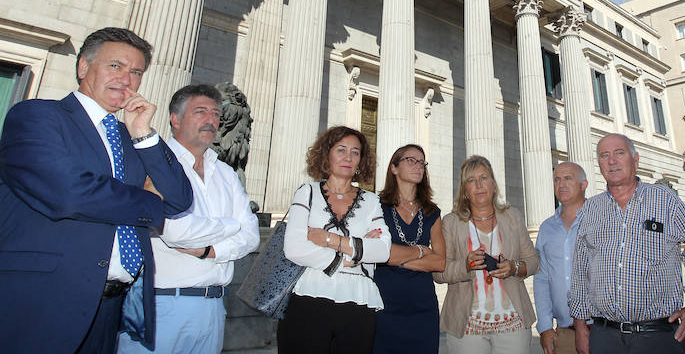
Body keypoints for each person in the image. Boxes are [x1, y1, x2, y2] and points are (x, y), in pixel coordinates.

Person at [0, 27, 194, 353]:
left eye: (136, 72)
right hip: (40, 303)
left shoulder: (130, 137)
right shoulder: (37, 116)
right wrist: (147, 199)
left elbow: (178, 199)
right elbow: (68, 194)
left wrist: (144, 134)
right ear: (83, 68)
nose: (127, 80)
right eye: (115, 66)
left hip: (109, 310)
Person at [117, 84, 260, 353]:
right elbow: (173, 229)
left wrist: (211, 250)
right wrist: (232, 225)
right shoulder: (154, 162)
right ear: (175, 118)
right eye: (201, 112)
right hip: (163, 306)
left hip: (213, 309)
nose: (212, 120)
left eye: (216, 114)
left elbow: (251, 236)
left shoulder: (226, 173)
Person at [569, 133, 685, 354]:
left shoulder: (665, 201)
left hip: (659, 336)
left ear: (635, 160)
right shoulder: (590, 210)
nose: (612, 161)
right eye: (604, 155)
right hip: (605, 337)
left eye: (619, 153)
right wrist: (580, 327)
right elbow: (580, 271)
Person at [279, 126, 391, 353]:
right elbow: (294, 248)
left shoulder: (371, 201)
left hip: (358, 301)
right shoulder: (307, 191)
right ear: (326, 154)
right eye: (341, 150)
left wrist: (330, 239)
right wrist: (352, 256)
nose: (348, 157)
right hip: (308, 297)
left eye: (355, 152)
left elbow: (382, 250)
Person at [434, 155, 540, 353]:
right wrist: (465, 266)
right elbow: (439, 273)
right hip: (466, 326)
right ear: (465, 190)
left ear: (493, 183)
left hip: (512, 323)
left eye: (484, 178)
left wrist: (514, 267)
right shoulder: (450, 222)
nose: (479, 185)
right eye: (471, 181)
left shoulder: (512, 217)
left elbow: (533, 261)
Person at [373, 144, 446, 354]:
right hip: (384, 305)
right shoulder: (377, 206)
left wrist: (393, 257)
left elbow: (440, 262)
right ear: (394, 168)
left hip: (423, 308)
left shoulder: (432, 212)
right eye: (411, 160)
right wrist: (421, 251)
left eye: (422, 162)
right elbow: (376, 252)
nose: (418, 166)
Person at [535, 162, 589, 354]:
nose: (561, 184)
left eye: (568, 178)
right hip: (564, 332)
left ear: (584, 185)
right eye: (557, 179)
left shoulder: (600, 220)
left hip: (601, 329)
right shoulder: (546, 228)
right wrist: (545, 326)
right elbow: (542, 279)